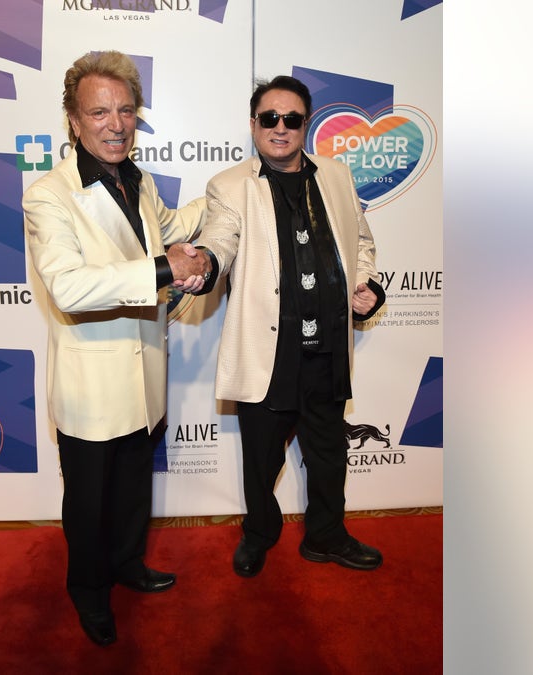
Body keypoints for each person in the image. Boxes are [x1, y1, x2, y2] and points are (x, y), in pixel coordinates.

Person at [21, 50, 209, 647]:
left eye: (126, 109)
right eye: (99, 111)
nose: (116, 123)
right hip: (92, 384)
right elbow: (69, 287)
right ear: (73, 121)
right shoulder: (49, 195)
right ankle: (89, 591)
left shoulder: (139, 180)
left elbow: (170, 229)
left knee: (132, 490)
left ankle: (128, 566)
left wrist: (233, 191)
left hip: (145, 372)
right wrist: (160, 268)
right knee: (88, 505)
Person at [194, 75, 386, 578]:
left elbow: (361, 243)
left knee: (328, 453)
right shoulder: (229, 186)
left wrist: (367, 285)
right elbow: (221, 238)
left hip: (327, 349)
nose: (280, 128)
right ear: (254, 124)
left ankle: (326, 536)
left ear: (306, 125)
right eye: (270, 118)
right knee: (261, 460)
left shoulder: (339, 177)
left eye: (292, 119)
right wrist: (207, 265)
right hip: (268, 353)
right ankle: (259, 534)